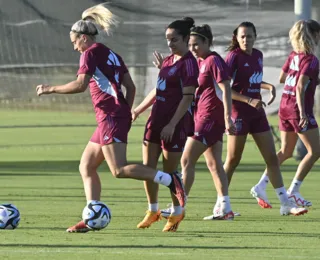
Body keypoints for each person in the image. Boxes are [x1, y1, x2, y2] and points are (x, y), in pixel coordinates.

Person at [35, 3, 186, 233]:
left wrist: (51, 89)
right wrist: (124, 109)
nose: (75, 47)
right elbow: (131, 86)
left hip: (110, 117)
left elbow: (80, 85)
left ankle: (169, 180)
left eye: (75, 41)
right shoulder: (112, 54)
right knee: (86, 165)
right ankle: (92, 216)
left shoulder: (89, 53)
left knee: (118, 169)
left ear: (84, 38)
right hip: (113, 116)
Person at [222, 21, 308, 216]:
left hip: (257, 113)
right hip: (239, 113)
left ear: (255, 37)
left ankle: (286, 204)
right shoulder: (233, 57)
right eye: (242, 36)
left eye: (249, 35)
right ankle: (222, 203)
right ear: (236, 38)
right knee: (233, 159)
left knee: (272, 159)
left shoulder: (258, 55)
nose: (246, 39)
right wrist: (249, 100)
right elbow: (226, 89)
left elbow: (250, 80)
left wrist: (266, 86)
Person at [132, 17, 199, 232]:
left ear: (187, 39)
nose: (170, 44)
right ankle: (152, 210)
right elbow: (158, 90)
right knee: (148, 168)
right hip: (155, 120)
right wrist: (138, 109)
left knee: (170, 174)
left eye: (175, 39)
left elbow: (187, 98)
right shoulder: (169, 61)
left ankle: (177, 212)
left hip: (175, 125)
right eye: (168, 39)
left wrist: (172, 124)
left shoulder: (190, 64)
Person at [252, 20, 320, 208]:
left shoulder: (293, 56)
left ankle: (260, 185)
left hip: (285, 107)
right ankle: (294, 190)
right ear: (313, 36)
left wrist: (314, 80)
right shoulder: (311, 59)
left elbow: (283, 78)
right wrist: (304, 112)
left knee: (286, 151)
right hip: (298, 109)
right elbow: (299, 86)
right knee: (315, 151)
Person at [181, 24, 237, 221]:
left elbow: (226, 89)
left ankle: (178, 207)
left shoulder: (214, 60)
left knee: (186, 160)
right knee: (214, 164)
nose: (193, 48)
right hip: (203, 117)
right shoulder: (201, 61)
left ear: (207, 42)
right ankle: (225, 208)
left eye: (196, 44)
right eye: (190, 45)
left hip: (210, 118)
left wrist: (227, 117)